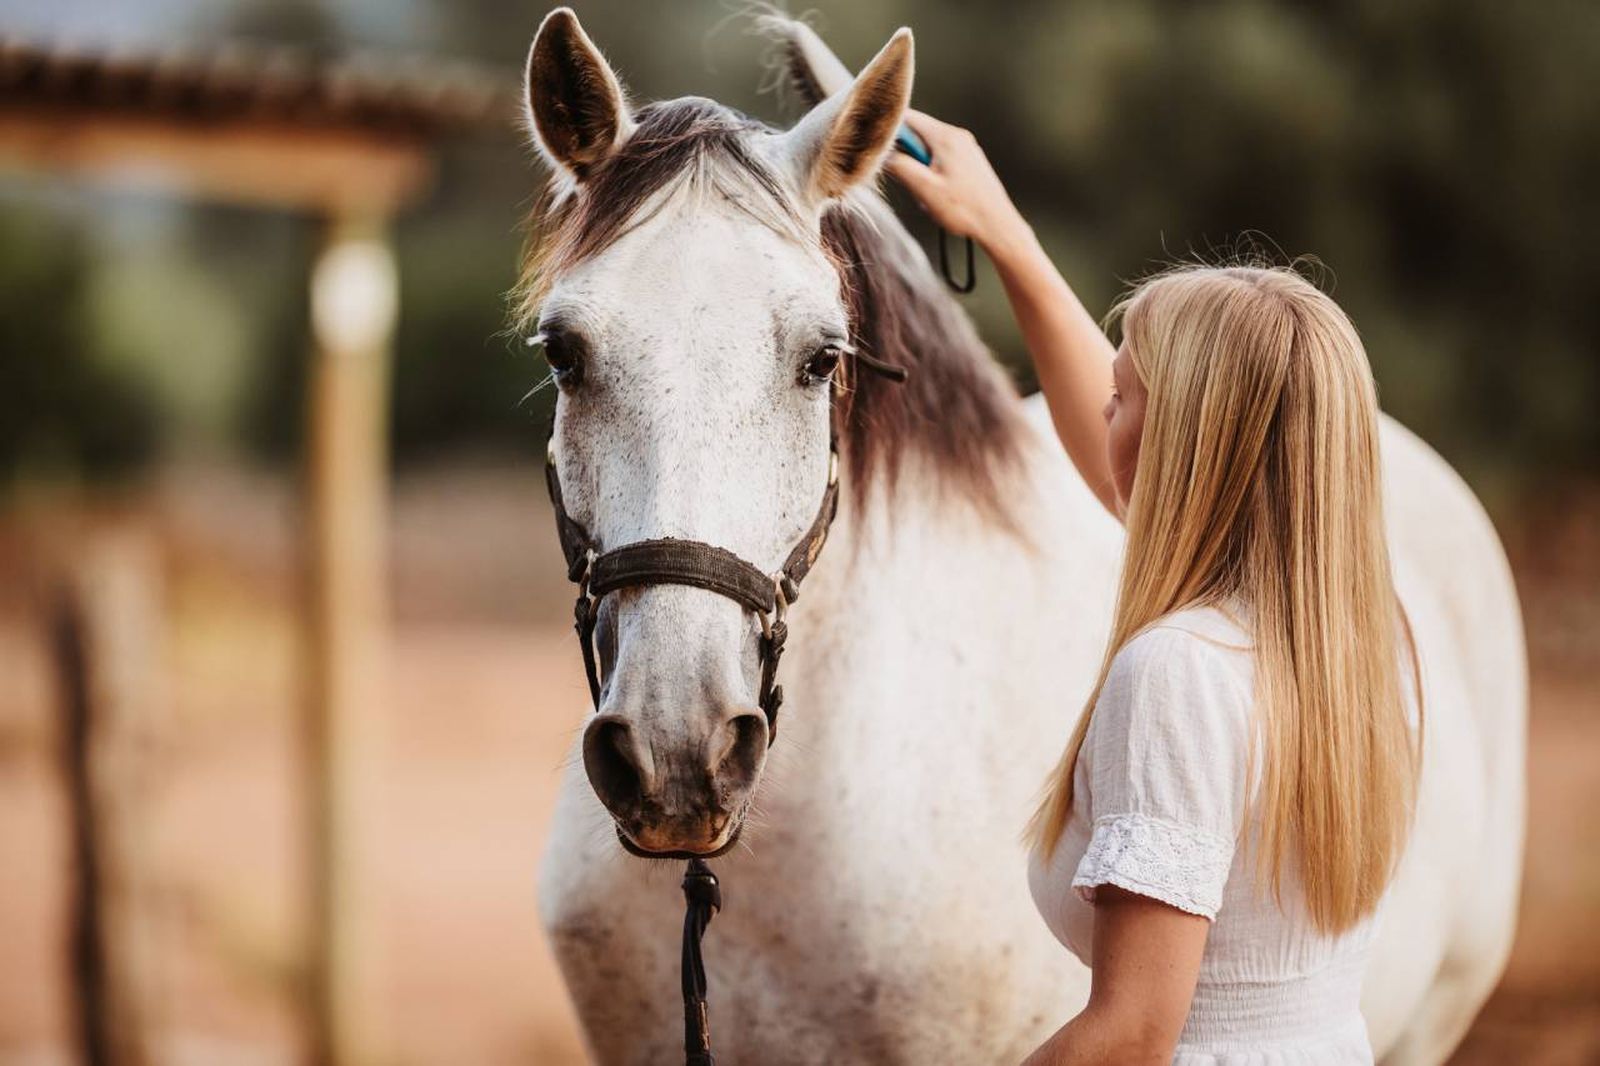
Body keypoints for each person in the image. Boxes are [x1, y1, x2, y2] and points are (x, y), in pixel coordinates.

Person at [887, 111, 1422, 1065]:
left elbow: (1132, 1033)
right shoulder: (1363, 633)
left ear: (1182, 444)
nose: (1099, 410)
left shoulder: (1177, 672)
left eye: (1121, 398)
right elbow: (1128, 470)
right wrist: (1006, 234)